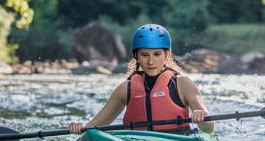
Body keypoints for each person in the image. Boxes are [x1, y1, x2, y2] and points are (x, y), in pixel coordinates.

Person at [68, 24, 213, 135]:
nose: (151, 61)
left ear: (166, 55)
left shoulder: (182, 83)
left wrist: (202, 118)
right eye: (144, 55)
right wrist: (82, 126)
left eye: (157, 54)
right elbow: (96, 125)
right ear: (136, 56)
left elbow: (209, 127)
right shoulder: (126, 88)